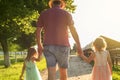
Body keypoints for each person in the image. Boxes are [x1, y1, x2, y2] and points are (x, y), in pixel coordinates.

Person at [36, 0, 83, 80]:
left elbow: (38, 31)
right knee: (63, 72)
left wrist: (39, 44)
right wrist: (78, 45)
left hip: (48, 46)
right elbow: (73, 30)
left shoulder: (44, 14)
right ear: (61, 4)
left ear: (51, 4)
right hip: (63, 46)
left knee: (51, 72)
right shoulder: (67, 14)